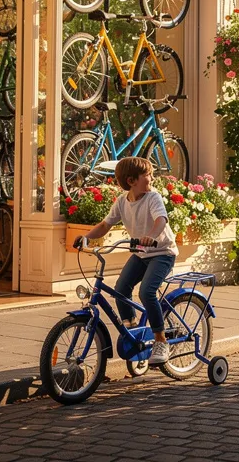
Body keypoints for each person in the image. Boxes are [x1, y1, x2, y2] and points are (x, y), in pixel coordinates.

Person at [76, 156, 177, 366]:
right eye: (147, 175)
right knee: (121, 288)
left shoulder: (153, 197)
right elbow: (105, 225)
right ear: (131, 181)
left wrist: (151, 236)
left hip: (162, 252)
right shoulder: (122, 201)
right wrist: (86, 237)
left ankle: (161, 340)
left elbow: (161, 220)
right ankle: (133, 331)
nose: (152, 178)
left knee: (147, 291)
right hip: (141, 254)